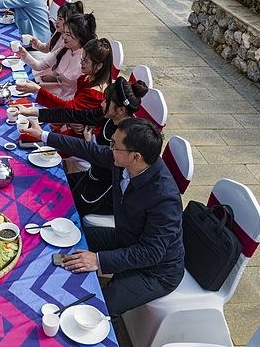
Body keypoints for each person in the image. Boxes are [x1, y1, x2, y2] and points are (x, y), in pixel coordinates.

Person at [26, 117, 184, 317]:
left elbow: (151, 252)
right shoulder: (126, 161)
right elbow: (89, 150)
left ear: (135, 157)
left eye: (114, 146)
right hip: (126, 237)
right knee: (66, 236)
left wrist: (98, 260)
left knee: (99, 310)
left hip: (156, 271)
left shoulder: (164, 197)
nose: (110, 149)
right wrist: (42, 135)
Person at [19, 77, 150, 215]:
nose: (102, 104)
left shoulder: (128, 139)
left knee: (54, 205)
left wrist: (43, 135)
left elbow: (89, 150)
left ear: (121, 110)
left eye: (106, 101)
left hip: (102, 193)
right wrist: (34, 113)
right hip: (90, 175)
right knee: (42, 183)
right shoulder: (109, 115)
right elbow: (73, 114)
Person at [15, 13, 98, 101]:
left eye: (68, 34)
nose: (63, 37)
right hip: (59, 96)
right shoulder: (64, 50)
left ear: (80, 37)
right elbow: (39, 66)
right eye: (64, 33)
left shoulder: (85, 61)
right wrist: (23, 53)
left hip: (68, 102)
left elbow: (77, 98)